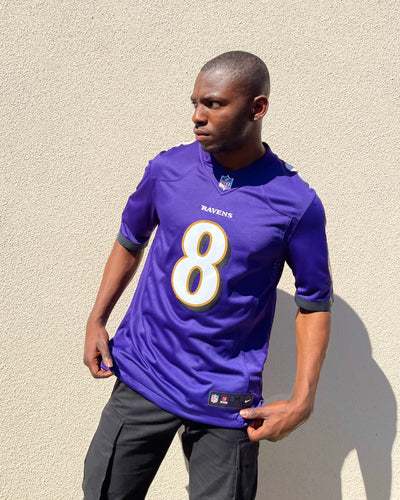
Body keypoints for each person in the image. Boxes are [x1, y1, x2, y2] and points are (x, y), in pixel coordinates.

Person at [83, 51, 332, 500]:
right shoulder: (168, 169)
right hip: (144, 373)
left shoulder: (296, 203)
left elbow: (314, 303)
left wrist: (302, 400)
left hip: (225, 399)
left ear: (257, 108)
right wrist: (97, 319)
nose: (198, 116)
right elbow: (129, 240)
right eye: (195, 103)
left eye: (214, 104)